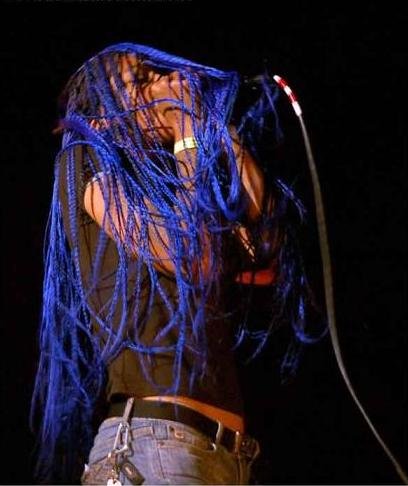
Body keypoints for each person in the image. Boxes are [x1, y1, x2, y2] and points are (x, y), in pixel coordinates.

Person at [31, 42, 318, 485]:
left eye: (159, 75)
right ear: (102, 113)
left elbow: (263, 251)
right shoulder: (83, 157)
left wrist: (214, 128)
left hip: (228, 455)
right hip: (155, 445)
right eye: (140, 81)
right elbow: (191, 257)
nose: (165, 84)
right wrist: (187, 134)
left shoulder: (179, 189)